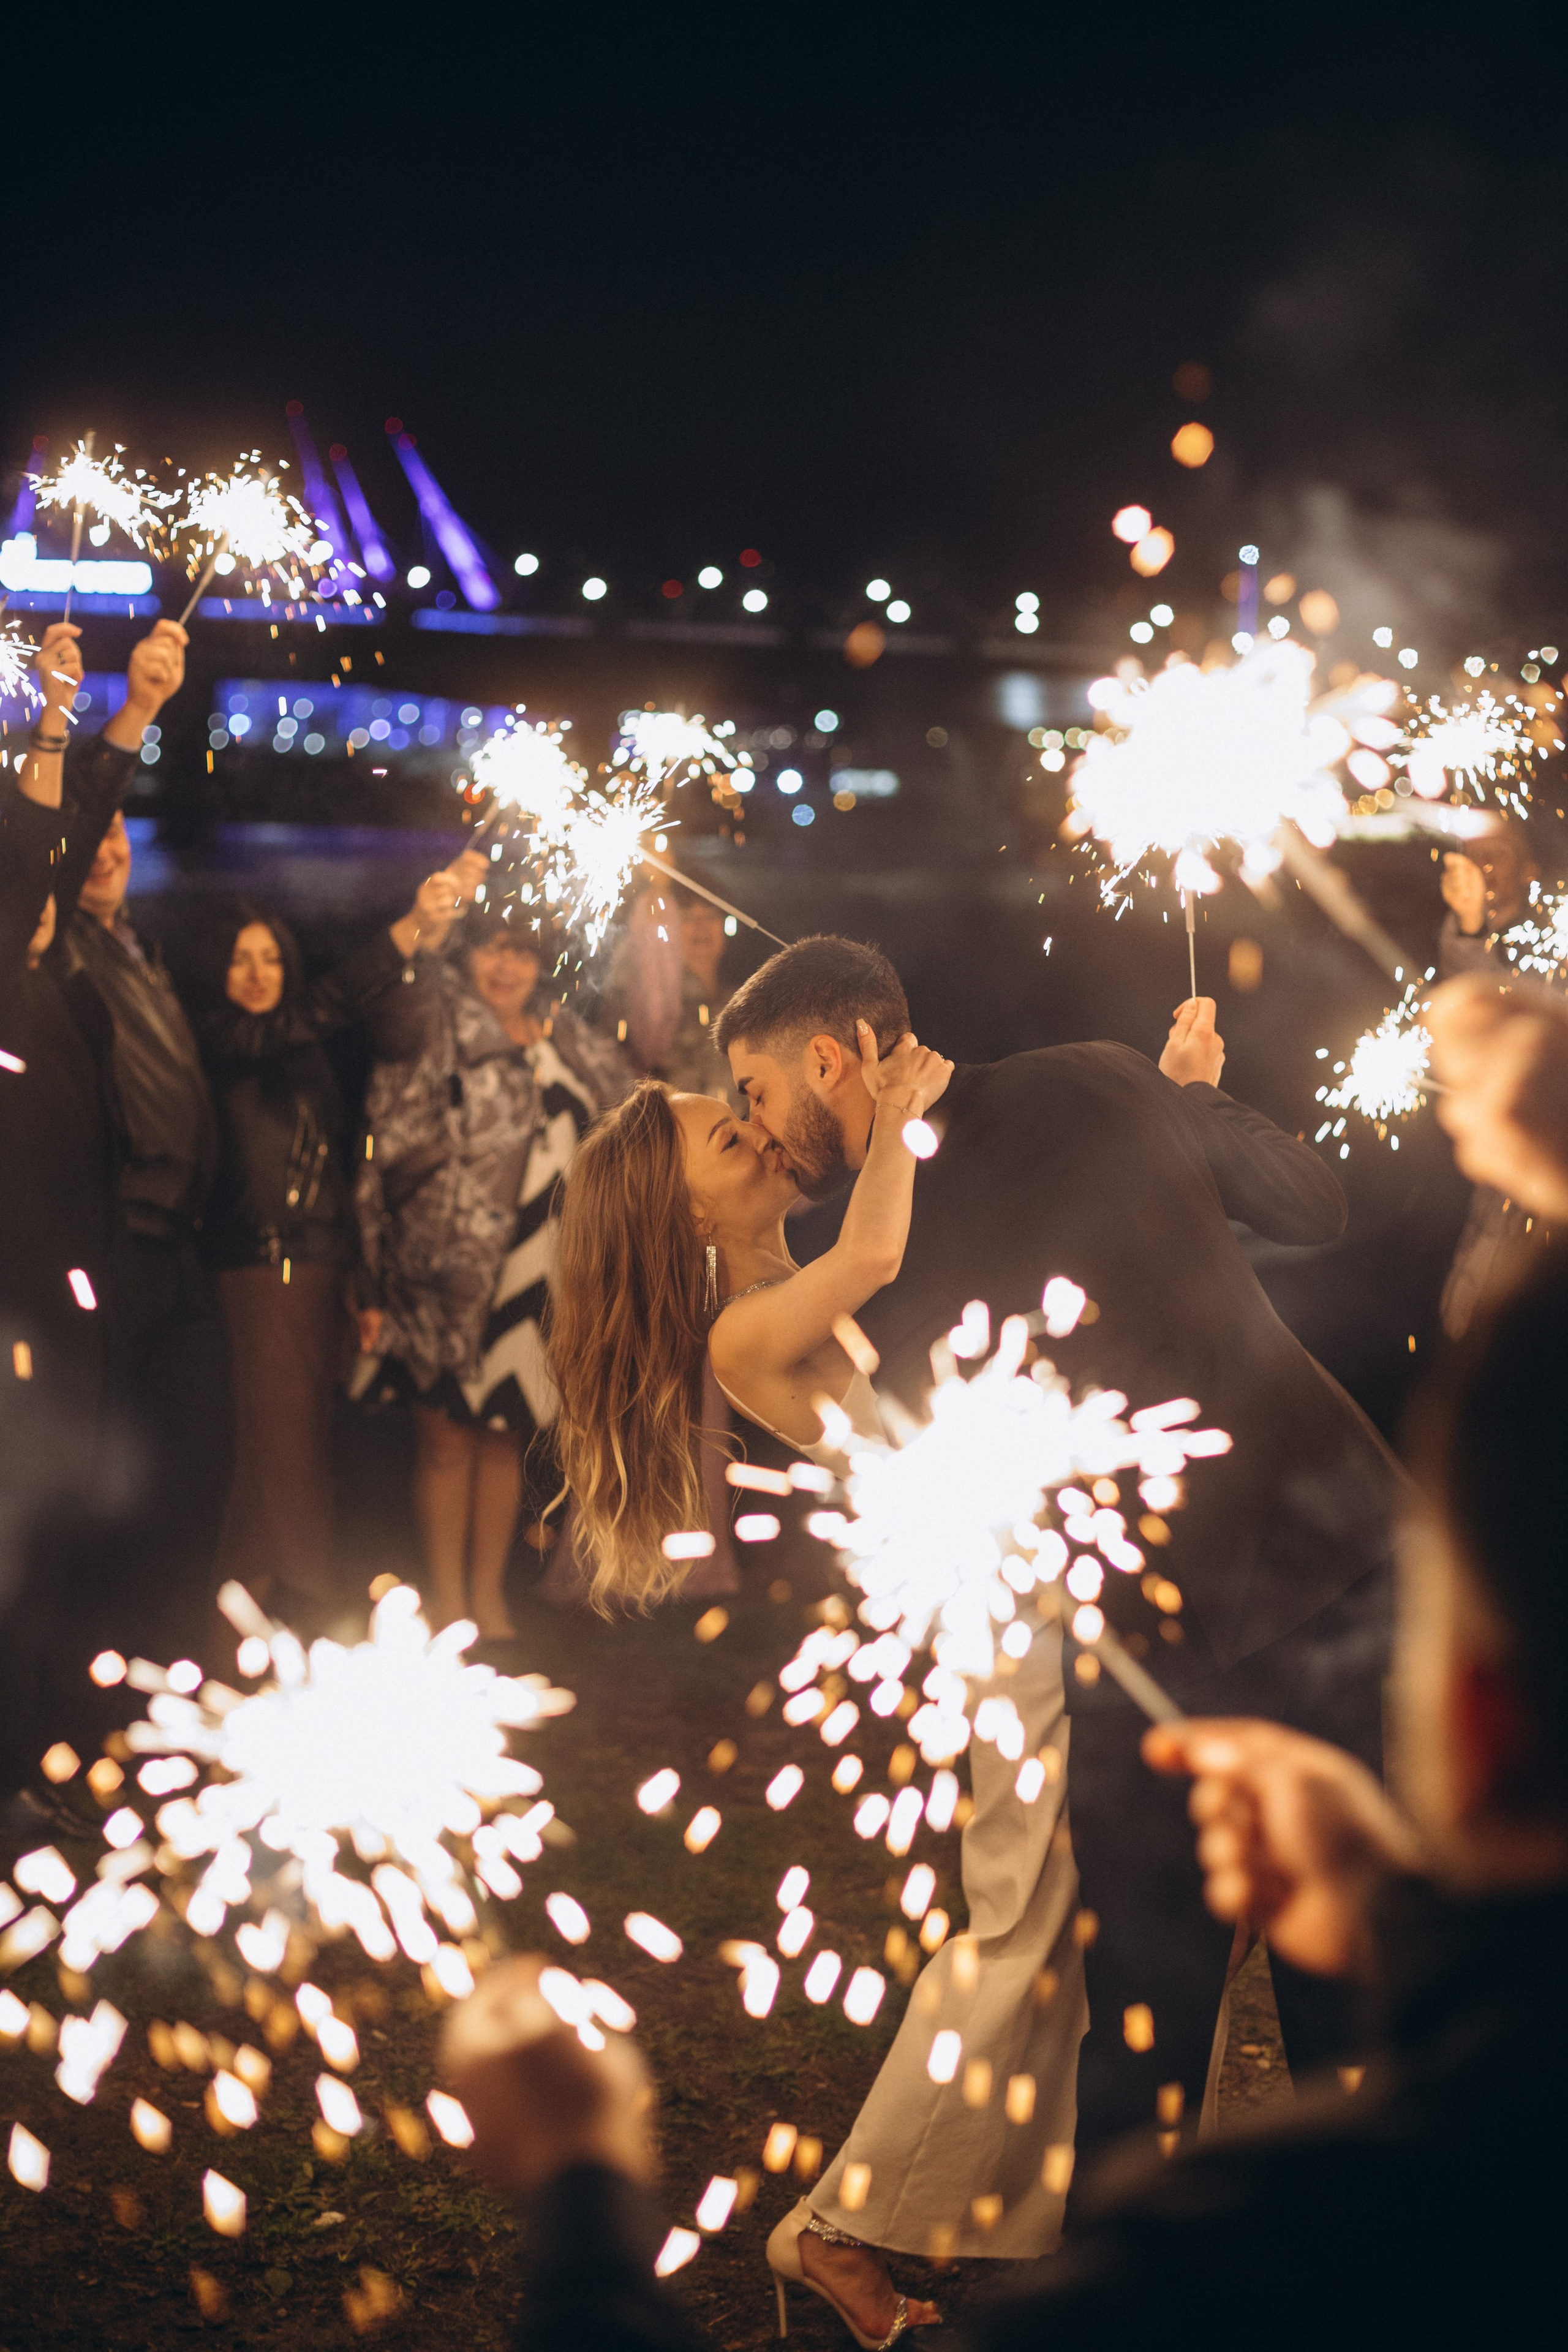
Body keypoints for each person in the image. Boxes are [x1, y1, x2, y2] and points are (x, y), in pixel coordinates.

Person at [439, 1242, 1568, 2351]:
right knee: (1027, 1919)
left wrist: (579, 2182)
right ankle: (863, 2217)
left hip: (1043, 1619)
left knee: (1035, 1926)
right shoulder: (1444, 2187)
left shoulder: (1240, 2253)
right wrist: (1387, 1914)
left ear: (1474, 1710)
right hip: (1017, 1630)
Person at [709, 938, 1398, 2269]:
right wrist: (1182, 1098)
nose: (757, 1124)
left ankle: (1121, 2299)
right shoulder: (1095, 1079)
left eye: (753, 1085)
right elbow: (1314, 1206)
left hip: (1178, 1622)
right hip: (1329, 1563)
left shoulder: (885, 1247)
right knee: (1335, 1981)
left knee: (1151, 2006)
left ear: (827, 1058)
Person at [187, 862, 481, 1622]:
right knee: (285, 1462)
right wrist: (407, 931)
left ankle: (243, 1639)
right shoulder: (228, 1039)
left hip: (315, 1266)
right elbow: (325, 1005)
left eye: (271, 957)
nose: (258, 974)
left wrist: (363, 1284)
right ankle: (304, 1616)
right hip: (263, 1263)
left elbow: (347, 1167)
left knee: (284, 1460)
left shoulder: (301, 1052)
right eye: (241, 959)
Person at [355, 911, 630, 1636]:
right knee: (445, 1441)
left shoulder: (568, 1037)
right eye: (491, 950)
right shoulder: (432, 1024)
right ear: (467, 954)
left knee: (507, 1433)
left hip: (545, 1275)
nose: (505, 967)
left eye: (522, 952)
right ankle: (447, 1601)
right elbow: (387, 1146)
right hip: (446, 1274)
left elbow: (631, 1113)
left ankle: (489, 1595)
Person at [42, 617, 226, 1660]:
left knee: (196, 1474)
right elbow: (66, 840)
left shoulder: (139, 952)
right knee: (106, 1493)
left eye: (121, 839)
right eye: (93, 838)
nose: (110, 849)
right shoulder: (54, 950)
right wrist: (138, 709)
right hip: (111, 1248)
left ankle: (170, 1683)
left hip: (182, 1250)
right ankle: (81, 1707)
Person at [1433, 822, 1547, 1333]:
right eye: (1473, 855)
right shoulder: (1463, 932)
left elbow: (1525, 1029)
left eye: (1497, 855)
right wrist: (1470, 927)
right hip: (1503, 1180)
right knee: (1475, 1311)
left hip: (1549, 1158)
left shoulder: (1554, 938)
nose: (1482, 869)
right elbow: (1475, 1013)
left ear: (1530, 870)